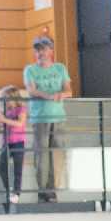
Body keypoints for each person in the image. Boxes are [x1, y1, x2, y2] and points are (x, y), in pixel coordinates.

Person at [24, 37, 71, 202]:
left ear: (51, 50)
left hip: (58, 117)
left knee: (56, 153)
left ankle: (52, 189)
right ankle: (43, 191)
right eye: (37, 50)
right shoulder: (30, 70)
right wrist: (49, 96)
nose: (40, 53)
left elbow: (68, 90)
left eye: (43, 49)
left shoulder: (60, 68)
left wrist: (61, 94)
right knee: (41, 155)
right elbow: (31, 90)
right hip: (40, 118)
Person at [0, 85, 28, 204]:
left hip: (18, 142)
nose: (4, 102)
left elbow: (20, 123)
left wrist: (4, 120)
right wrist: (1, 124)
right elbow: (1, 127)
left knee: (17, 169)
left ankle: (16, 193)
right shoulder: (5, 111)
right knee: (1, 165)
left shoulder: (21, 109)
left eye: (6, 99)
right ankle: (8, 188)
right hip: (6, 142)